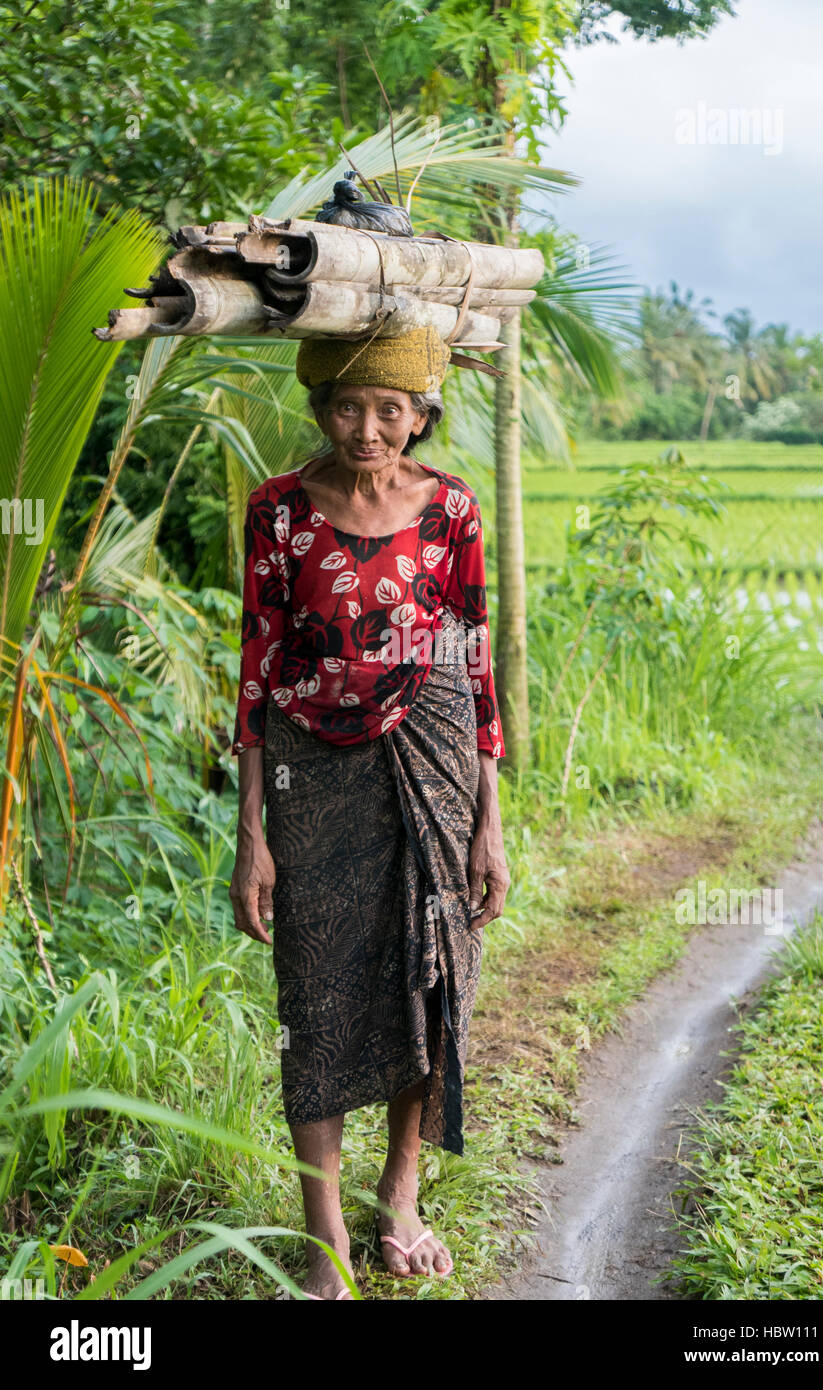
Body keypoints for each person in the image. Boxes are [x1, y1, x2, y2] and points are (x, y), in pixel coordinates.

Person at [228, 325, 510, 1299]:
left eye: (390, 408)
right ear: (318, 410)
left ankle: (399, 1195)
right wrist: (251, 835)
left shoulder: (452, 513)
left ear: (421, 413)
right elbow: (256, 670)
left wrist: (489, 821)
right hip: (311, 768)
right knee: (316, 988)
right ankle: (323, 1245)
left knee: (424, 970)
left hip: (433, 762)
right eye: (347, 406)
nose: (368, 428)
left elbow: (473, 665)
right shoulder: (276, 513)